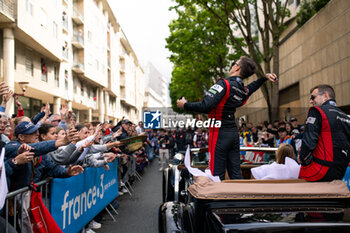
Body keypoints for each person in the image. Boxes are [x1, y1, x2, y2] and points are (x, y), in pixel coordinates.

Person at [177, 56, 278, 180]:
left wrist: (184, 104)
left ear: (237, 67)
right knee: (236, 174)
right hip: (233, 133)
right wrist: (263, 78)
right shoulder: (243, 91)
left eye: (234, 63)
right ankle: (241, 199)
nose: (232, 65)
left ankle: (215, 200)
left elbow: (205, 106)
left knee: (216, 175)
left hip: (219, 132)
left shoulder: (223, 84)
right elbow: (251, 88)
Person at [298, 84, 350, 181]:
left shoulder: (316, 111)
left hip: (321, 168)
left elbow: (309, 141)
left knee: (295, 177)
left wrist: (303, 159)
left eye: (313, 97)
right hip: (341, 170)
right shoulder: (345, 116)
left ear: (325, 96)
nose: (310, 101)